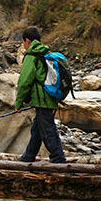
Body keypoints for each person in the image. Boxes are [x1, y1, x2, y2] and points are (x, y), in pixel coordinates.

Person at [15, 26, 66, 163]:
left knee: (47, 129)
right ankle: (29, 156)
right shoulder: (44, 52)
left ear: (27, 40)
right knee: (37, 129)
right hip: (49, 96)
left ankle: (58, 158)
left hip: (42, 98)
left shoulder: (31, 55)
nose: (24, 46)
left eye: (23, 43)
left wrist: (19, 103)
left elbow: (24, 81)